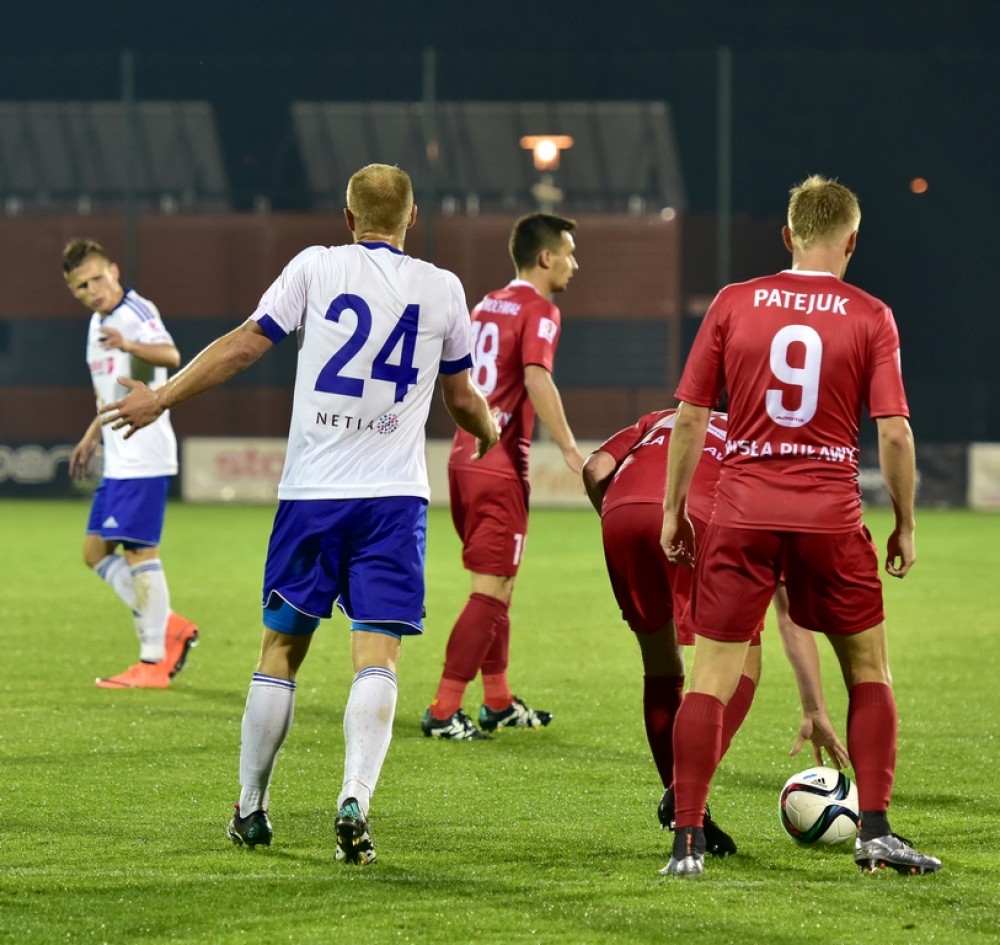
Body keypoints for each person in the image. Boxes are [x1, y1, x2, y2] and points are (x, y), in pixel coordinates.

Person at [101, 164, 498, 865]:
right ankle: (354, 799)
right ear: (413, 218)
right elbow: (462, 397)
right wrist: (489, 430)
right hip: (393, 501)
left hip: (313, 496)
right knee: (378, 652)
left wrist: (159, 398)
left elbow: (242, 346)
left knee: (281, 651)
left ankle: (252, 808)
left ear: (348, 218)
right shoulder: (442, 287)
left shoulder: (315, 266)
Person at [659, 175, 940, 877]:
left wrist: (673, 510)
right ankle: (875, 832)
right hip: (829, 518)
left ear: (787, 235)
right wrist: (905, 522)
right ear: (852, 241)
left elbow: (691, 418)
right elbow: (895, 433)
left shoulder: (733, 302)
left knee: (711, 675)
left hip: (742, 512)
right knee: (868, 669)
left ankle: (687, 840)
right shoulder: (871, 314)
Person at [582, 408, 848, 859]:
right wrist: (814, 707)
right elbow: (789, 613)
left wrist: (619, 517)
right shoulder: (765, 440)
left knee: (661, 664)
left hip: (622, 515)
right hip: (702, 520)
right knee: (743, 661)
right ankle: (683, 793)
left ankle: (688, 810)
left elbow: (594, 469)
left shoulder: (663, 417)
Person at [421, 212, 585, 740]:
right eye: (569, 254)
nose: (574, 265)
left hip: (464, 460)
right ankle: (444, 710)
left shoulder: (486, 304)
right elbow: (536, 376)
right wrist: (570, 448)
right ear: (546, 257)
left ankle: (497, 700)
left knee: (499, 588)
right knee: (491, 591)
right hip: (500, 466)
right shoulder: (541, 310)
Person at [63, 238, 200, 689]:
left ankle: (153, 661)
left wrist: (129, 342)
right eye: (82, 286)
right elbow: (110, 392)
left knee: (140, 553)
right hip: (119, 457)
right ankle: (169, 623)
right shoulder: (97, 323)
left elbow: (170, 355)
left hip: (143, 453)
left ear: (114, 272)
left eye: (97, 279)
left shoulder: (136, 312)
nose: (93, 290)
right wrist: (92, 434)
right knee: (94, 553)